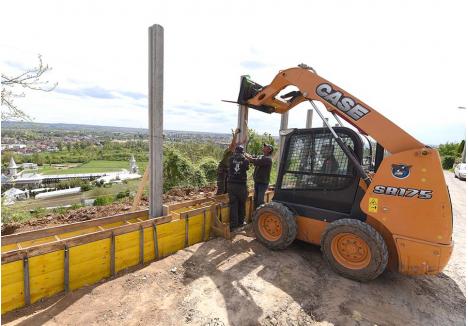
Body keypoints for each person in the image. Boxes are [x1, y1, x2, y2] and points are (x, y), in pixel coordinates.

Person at [227, 145, 250, 230]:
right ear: (242, 152)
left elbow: (229, 167)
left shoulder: (230, 159)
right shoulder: (245, 160)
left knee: (233, 205)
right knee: (241, 204)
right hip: (241, 186)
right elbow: (247, 168)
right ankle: (241, 222)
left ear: (235, 151)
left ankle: (233, 225)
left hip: (231, 185)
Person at [245, 143, 273, 210]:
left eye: (265, 147)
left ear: (269, 150)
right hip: (257, 181)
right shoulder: (261, 156)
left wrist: (244, 154)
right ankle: (255, 214)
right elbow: (253, 157)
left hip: (262, 183)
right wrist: (246, 154)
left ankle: (260, 214)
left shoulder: (268, 159)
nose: (263, 147)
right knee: (255, 199)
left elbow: (254, 160)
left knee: (260, 201)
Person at [215, 128, 241, 195]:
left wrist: (246, 127)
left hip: (228, 169)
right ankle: (218, 202)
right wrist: (235, 134)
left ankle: (224, 203)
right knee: (221, 188)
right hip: (222, 169)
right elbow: (233, 144)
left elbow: (243, 141)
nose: (234, 146)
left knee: (227, 188)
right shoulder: (228, 151)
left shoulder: (234, 152)